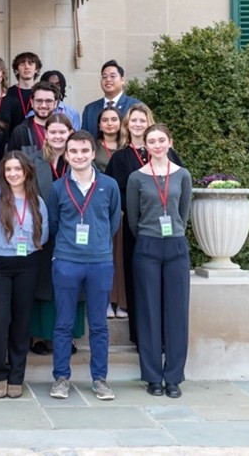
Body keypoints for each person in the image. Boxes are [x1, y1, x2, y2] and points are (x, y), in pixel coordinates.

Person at [47, 130, 121, 401]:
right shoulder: (57, 188)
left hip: (100, 261)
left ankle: (100, 379)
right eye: (73, 151)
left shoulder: (109, 185)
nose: (79, 156)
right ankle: (61, 377)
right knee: (64, 322)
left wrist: (97, 243)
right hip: (67, 261)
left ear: (93, 153)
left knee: (99, 324)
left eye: (84, 151)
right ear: (66, 155)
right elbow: (53, 224)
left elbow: (113, 222)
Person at [105, 104, 184, 345]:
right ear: (127, 125)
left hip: (168, 232)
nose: (137, 124)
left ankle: (165, 338)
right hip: (135, 228)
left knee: (166, 288)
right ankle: (142, 337)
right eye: (133, 120)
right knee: (138, 283)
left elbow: (181, 195)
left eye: (142, 120)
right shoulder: (120, 157)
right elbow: (117, 191)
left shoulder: (166, 153)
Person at [127, 124, 192, 399]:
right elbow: (132, 217)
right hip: (147, 246)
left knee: (177, 313)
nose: (156, 145)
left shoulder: (183, 175)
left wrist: (172, 233)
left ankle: (174, 376)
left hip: (176, 245)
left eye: (161, 140)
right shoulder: (136, 178)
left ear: (170, 142)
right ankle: (153, 376)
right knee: (149, 311)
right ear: (146, 145)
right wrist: (149, 236)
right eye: (151, 141)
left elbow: (183, 212)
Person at [0, 151, 48, 398]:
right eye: (9, 170)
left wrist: (27, 244)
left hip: (27, 265)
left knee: (21, 322)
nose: (13, 174)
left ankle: (16, 375)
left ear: (26, 171)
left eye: (18, 169)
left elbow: (44, 233)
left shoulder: (36, 200)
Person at [29, 114, 84, 356]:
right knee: (42, 283)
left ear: (70, 133)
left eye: (63, 132)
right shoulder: (33, 159)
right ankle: (40, 335)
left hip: (72, 231)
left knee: (71, 284)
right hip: (41, 231)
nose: (58, 136)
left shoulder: (80, 160)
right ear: (45, 134)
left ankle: (69, 336)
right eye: (53, 132)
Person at [93, 105, 127, 319]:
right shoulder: (93, 147)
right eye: (105, 120)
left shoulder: (127, 147)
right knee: (103, 255)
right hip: (98, 205)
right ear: (99, 124)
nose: (109, 123)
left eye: (114, 119)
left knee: (119, 256)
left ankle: (121, 301)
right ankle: (105, 300)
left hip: (122, 207)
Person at [82, 60, 141, 139]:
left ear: (122, 80)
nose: (108, 80)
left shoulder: (136, 106)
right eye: (104, 77)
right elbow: (84, 138)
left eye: (112, 76)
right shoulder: (90, 109)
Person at [9, 81, 60, 158]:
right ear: (32, 102)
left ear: (56, 103)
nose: (43, 105)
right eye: (39, 101)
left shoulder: (64, 130)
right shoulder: (20, 132)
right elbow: (12, 162)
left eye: (48, 101)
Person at [0, 52, 41, 135]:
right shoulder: (7, 93)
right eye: (22, 64)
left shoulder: (42, 93)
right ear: (16, 70)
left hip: (37, 137)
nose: (26, 67)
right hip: (13, 138)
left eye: (30, 63)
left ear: (36, 69)